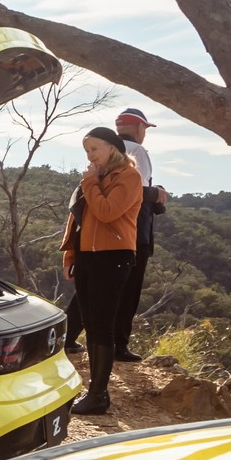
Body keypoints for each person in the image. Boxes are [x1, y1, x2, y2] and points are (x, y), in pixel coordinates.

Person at [61, 126, 143, 415]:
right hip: (87, 257)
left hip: (114, 256)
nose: (90, 155)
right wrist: (70, 255)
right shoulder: (96, 178)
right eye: (87, 150)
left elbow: (108, 211)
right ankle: (95, 392)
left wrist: (90, 184)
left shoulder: (129, 177)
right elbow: (78, 220)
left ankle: (98, 394)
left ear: (112, 148)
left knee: (101, 327)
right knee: (91, 325)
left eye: (94, 148)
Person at [112, 106, 169, 361]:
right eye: (144, 128)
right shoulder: (138, 152)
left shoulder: (105, 151)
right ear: (138, 128)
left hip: (107, 231)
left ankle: (79, 340)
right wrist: (158, 197)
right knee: (129, 290)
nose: (144, 133)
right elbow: (138, 193)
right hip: (136, 233)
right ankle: (119, 345)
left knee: (106, 288)